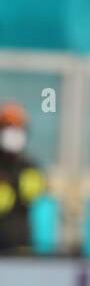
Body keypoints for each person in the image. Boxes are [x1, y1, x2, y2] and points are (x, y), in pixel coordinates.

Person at [0, 102, 46, 256]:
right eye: (7, 127)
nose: (12, 132)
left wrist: (12, 181)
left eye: (17, 127)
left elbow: (31, 194)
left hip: (19, 244)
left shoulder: (29, 166)